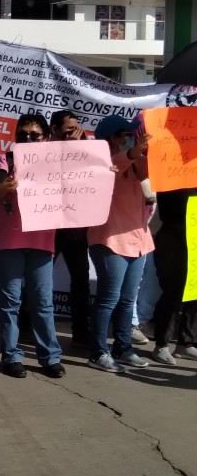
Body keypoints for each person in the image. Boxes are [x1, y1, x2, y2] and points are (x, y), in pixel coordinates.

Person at [0, 113, 64, 379]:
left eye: (34, 135)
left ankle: (49, 357)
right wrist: (5, 186)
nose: (28, 139)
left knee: (42, 303)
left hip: (42, 240)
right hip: (9, 240)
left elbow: (82, 183)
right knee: (10, 303)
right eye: (22, 135)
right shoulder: (5, 160)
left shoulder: (57, 163)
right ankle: (11, 356)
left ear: (46, 137)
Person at [87, 115, 152, 373]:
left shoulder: (137, 161)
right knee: (108, 299)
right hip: (110, 239)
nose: (128, 139)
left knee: (127, 300)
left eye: (130, 135)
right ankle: (98, 352)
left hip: (138, 239)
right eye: (123, 135)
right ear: (110, 137)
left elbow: (157, 171)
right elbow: (115, 165)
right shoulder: (100, 161)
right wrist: (134, 152)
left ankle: (123, 348)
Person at [48, 110, 91, 348]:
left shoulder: (85, 150)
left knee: (81, 281)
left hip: (76, 227)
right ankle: (26, 325)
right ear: (54, 129)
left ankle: (81, 331)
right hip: (49, 228)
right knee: (39, 280)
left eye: (76, 129)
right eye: (68, 130)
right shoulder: (41, 151)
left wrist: (79, 150)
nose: (73, 134)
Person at [150, 188, 197, 365]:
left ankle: (186, 342)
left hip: (195, 236)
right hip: (174, 238)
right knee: (173, 291)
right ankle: (162, 344)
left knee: (195, 291)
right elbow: (168, 211)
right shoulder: (172, 173)